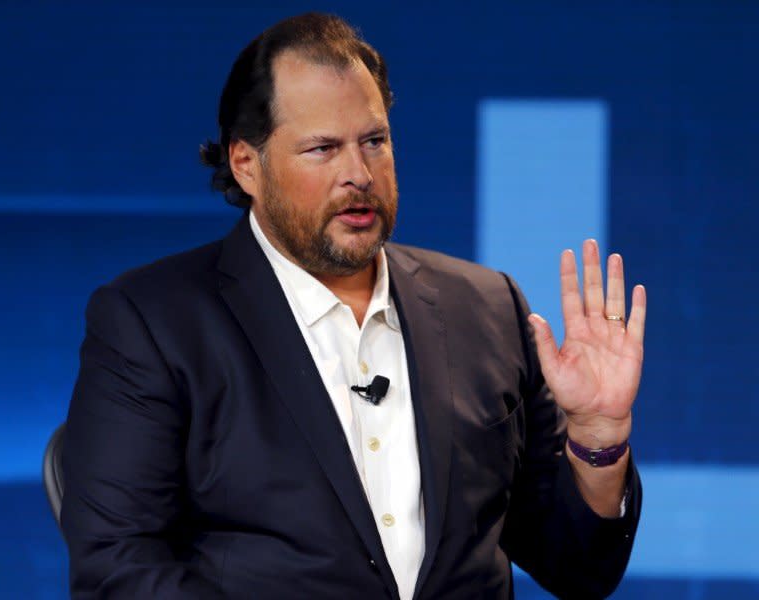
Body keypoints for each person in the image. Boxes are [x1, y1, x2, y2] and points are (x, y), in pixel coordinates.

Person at [62, 12, 645, 599]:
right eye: (322, 149)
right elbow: (118, 570)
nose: (359, 174)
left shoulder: (489, 309)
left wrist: (598, 437)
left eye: (374, 141)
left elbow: (579, 567)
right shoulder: (153, 322)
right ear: (246, 165)